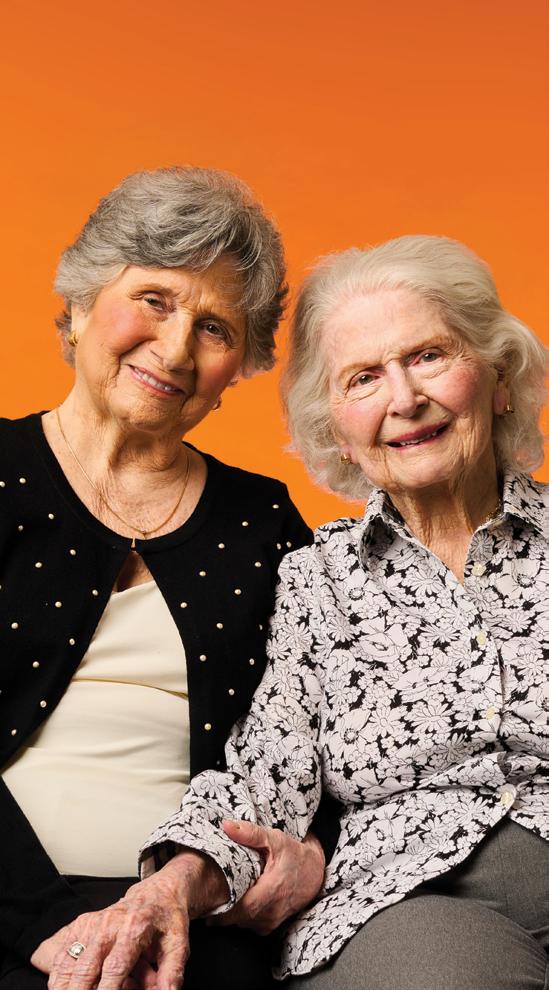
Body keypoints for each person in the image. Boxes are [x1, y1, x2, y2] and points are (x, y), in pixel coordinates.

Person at [48, 234, 548, 990]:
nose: (403, 399)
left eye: (427, 357)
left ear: (498, 378)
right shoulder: (318, 581)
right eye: (363, 379)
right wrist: (172, 885)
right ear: (337, 432)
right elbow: (263, 777)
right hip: (414, 901)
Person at [0, 166, 336, 990]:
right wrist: (51, 930)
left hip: (194, 916)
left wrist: (293, 855)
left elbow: (320, 741)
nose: (178, 348)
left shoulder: (262, 521)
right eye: (154, 299)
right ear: (81, 302)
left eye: (215, 328)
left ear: (237, 370)